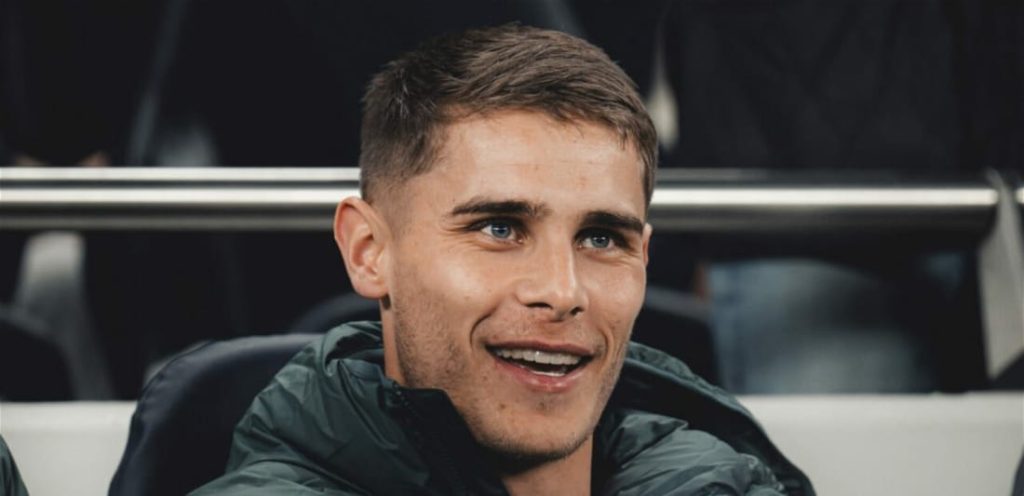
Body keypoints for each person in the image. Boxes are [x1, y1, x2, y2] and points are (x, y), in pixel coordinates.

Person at [193, 25, 813, 495]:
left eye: (601, 239)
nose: (562, 291)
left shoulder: (723, 479)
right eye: (499, 228)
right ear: (369, 251)